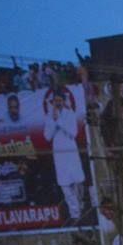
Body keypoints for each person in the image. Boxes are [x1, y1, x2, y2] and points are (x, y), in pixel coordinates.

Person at [43, 90, 86, 223]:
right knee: (65, 186)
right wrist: (54, 121)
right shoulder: (50, 116)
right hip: (59, 155)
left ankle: (80, 205)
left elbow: (73, 133)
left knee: (78, 183)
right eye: (55, 101)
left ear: (63, 101)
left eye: (60, 100)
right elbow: (47, 136)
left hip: (71, 153)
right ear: (53, 102)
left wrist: (59, 121)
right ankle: (75, 214)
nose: (57, 103)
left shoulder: (70, 114)